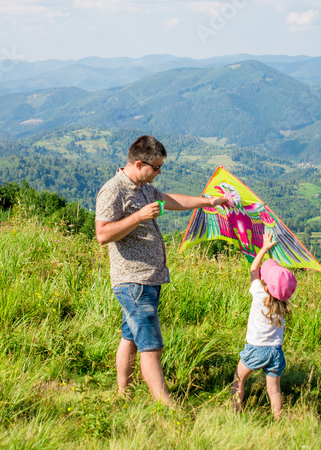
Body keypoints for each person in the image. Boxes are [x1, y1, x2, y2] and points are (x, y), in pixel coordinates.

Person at [95, 135, 228, 406]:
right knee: (151, 346)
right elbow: (102, 234)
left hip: (147, 280)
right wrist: (138, 217)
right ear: (140, 163)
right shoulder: (114, 190)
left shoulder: (143, 187)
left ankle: (123, 393)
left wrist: (209, 202)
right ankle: (167, 405)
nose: (159, 172)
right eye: (156, 168)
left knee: (130, 337)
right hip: (134, 279)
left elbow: (169, 200)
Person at [231, 234, 297, 419]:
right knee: (274, 390)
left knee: (239, 379)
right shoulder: (284, 304)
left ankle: (235, 413)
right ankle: (278, 419)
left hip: (256, 349)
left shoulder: (259, 293)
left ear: (266, 285)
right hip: (276, 352)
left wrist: (265, 247)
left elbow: (253, 269)